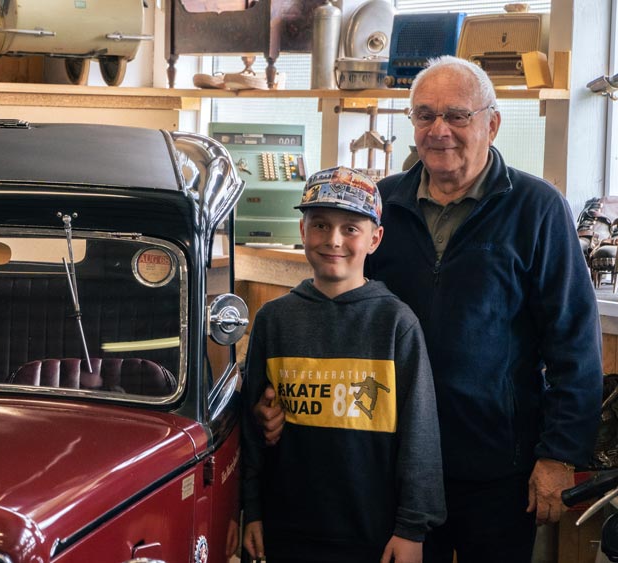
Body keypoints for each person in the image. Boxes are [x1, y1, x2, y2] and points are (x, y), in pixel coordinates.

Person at [254, 56, 604, 562]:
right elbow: (341, 314)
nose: (439, 130)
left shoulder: (537, 207)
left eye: (457, 115)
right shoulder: (382, 203)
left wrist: (560, 454)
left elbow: (575, 340)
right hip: (390, 463)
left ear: (492, 123)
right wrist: (284, 400)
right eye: (424, 115)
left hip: (496, 466)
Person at [241, 166, 445, 563]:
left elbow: (420, 434)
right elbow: (252, 427)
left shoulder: (396, 323)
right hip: (286, 529)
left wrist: (411, 528)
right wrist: (252, 507)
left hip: (372, 533)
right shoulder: (273, 320)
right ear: (302, 231)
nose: (333, 240)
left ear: (375, 238)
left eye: (350, 228)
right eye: (320, 225)